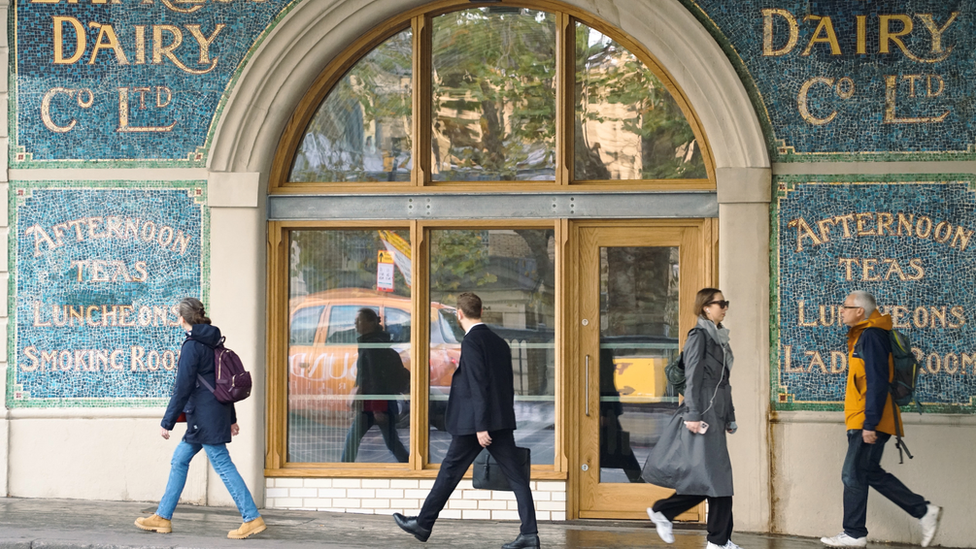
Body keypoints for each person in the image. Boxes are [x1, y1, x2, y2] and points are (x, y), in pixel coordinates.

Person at [393, 292, 539, 549]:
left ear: (459, 314)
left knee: (449, 471)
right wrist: (498, 420)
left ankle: (423, 524)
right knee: (517, 478)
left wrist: (482, 426)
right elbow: (505, 385)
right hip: (499, 421)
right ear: (480, 311)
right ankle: (529, 535)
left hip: (476, 425)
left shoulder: (472, 342)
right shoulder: (499, 342)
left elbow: (477, 384)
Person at [134, 297, 266, 540]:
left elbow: (182, 387)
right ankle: (163, 517)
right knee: (179, 460)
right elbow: (223, 383)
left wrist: (168, 421)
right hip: (211, 415)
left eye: (178, 316)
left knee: (223, 465)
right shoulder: (215, 341)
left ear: (182, 318)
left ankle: (251, 517)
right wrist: (231, 417)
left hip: (203, 418)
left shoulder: (192, 345)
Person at [820, 291, 941, 548]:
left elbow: (876, 381)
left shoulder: (872, 335)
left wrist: (870, 424)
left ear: (860, 311)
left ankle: (854, 533)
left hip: (868, 418)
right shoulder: (868, 333)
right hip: (866, 417)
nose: (841, 311)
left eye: (846, 307)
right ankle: (923, 511)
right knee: (868, 472)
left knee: (852, 474)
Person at [642, 288, 739, 549]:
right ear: (706, 307)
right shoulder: (699, 336)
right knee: (716, 479)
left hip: (715, 412)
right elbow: (694, 377)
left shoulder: (718, 337)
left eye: (725, 303)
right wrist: (694, 414)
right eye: (720, 303)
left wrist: (729, 416)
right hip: (703, 412)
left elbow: (724, 382)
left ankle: (716, 539)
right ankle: (716, 540)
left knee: (712, 478)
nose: (725, 307)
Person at [341, 308, 410, 463]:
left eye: (359, 321)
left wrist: (378, 408)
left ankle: (343, 469)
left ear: (371, 323)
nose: (355, 325)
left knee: (354, 440)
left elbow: (374, 378)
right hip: (376, 403)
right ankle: (410, 464)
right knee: (392, 442)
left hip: (375, 404)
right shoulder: (373, 342)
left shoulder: (372, 346)